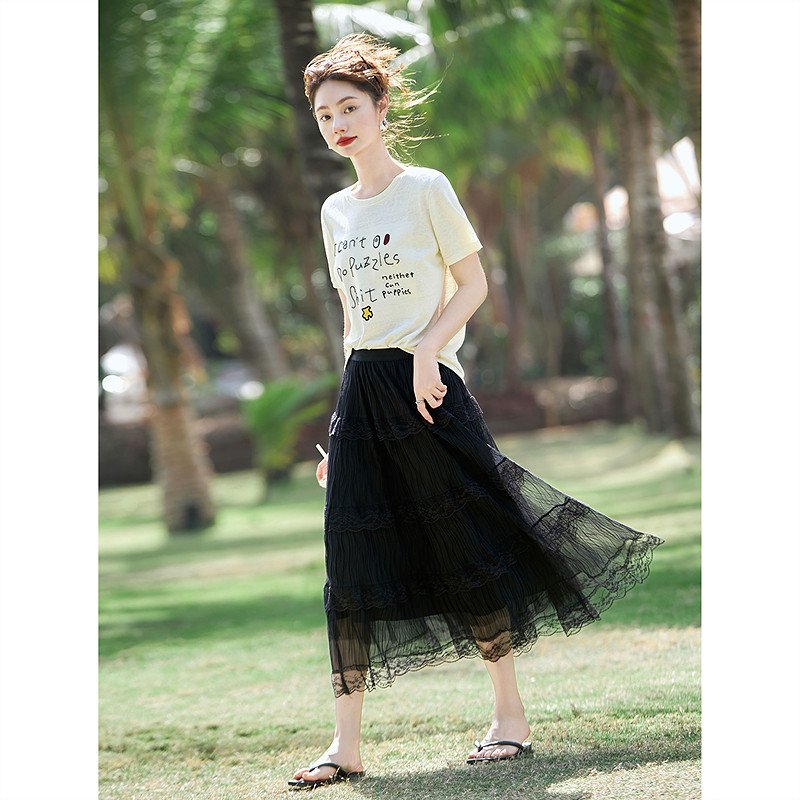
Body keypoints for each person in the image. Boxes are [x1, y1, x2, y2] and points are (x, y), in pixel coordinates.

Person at [288, 33, 664, 790]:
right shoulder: (334, 211)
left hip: (428, 390)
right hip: (363, 392)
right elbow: (353, 320)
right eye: (325, 115)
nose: (338, 125)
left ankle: (509, 719)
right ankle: (346, 745)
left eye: (349, 108)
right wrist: (340, 430)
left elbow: (472, 284)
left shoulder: (426, 188)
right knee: (349, 564)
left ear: (381, 107)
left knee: (469, 547)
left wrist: (429, 349)